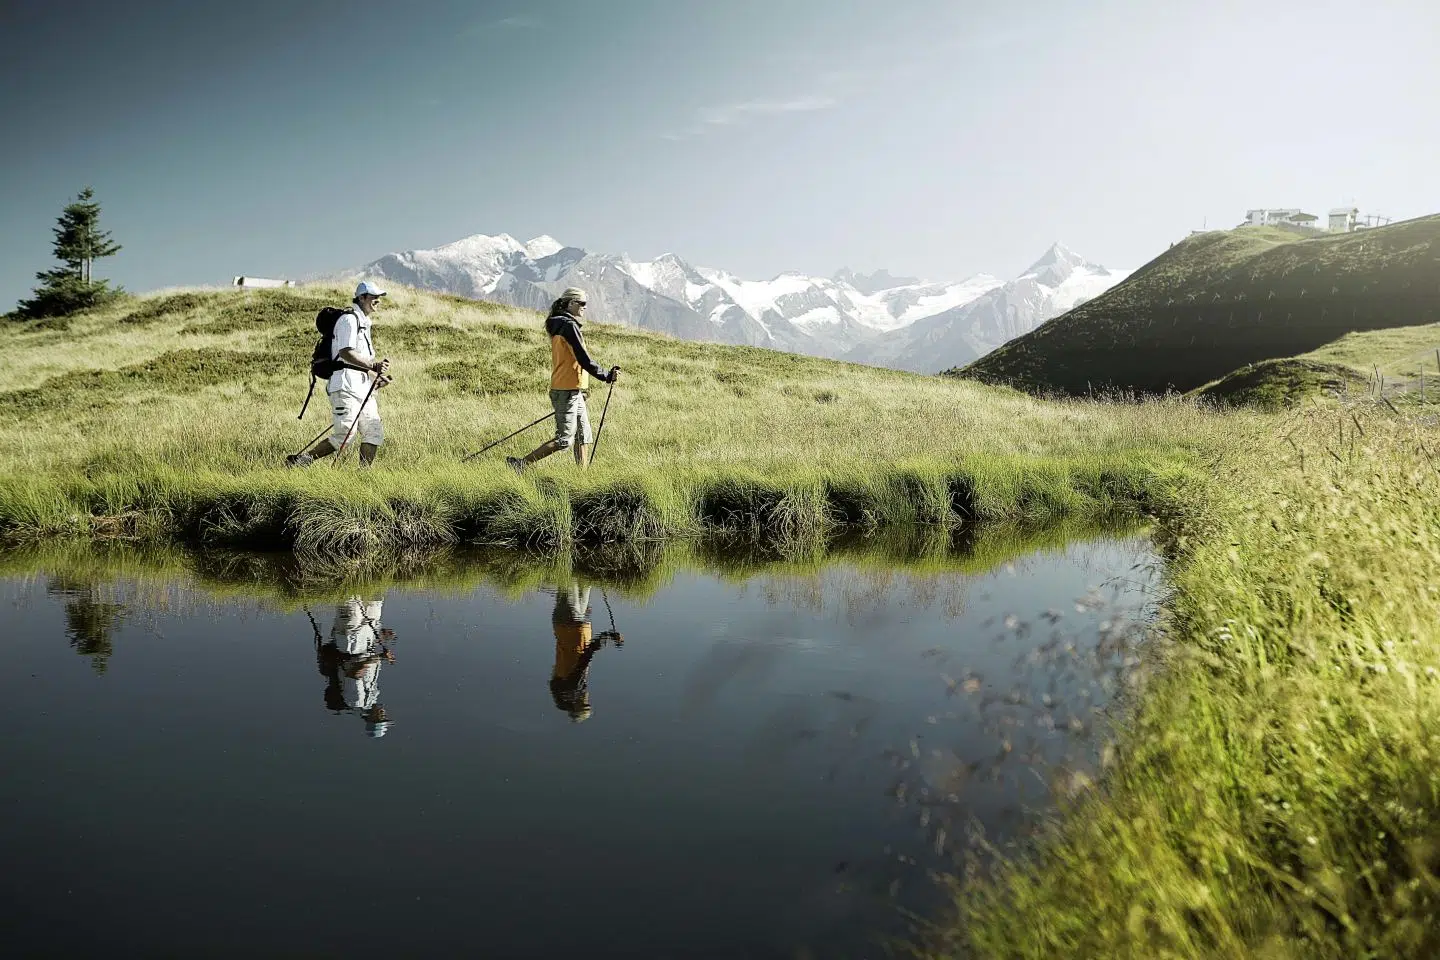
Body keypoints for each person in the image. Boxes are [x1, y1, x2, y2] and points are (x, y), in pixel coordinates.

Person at [508, 287, 619, 474]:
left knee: (582, 436)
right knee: (564, 440)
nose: (585, 307)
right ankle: (521, 464)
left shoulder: (563, 324)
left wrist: (582, 388)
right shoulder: (568, 326)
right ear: (571, 303)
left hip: (572, 390)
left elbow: (575, 361)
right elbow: (583, 359)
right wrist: (606, 375)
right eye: (582, 303)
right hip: (566, 391)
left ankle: (581, 478)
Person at [287, 280, 392, 468]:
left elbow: (358, 360)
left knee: (373, 431)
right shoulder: (349, 320)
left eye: (379, 297)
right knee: (345, 433)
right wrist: (374, 365)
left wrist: (375, 377)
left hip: (362, 387)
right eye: (374, 296)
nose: (378, 300)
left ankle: (364, 475)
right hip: (345, 385)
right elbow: (345, 353)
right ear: (361, 297)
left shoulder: (364, 322)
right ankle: (302, 461)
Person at [313, 597, 396, 738]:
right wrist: (382, 637)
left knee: (350, 602)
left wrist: (379, 657)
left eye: (381, 719)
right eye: (384, 717)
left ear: (371, 719)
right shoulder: (372, 697)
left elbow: (354, 673)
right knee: (376, 599)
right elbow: (367, 655)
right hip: (365, 638)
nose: (384, 713)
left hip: (350, 641)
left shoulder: (356, 702)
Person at [549, 578, 623, 722]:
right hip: (574, 621)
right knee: (586, 579)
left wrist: (609, 636)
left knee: (571, 579)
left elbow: (587, 653)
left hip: (570, 622)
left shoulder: (573, 685)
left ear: (576, 704)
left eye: (585, 705)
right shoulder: (567, 683)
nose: (587, 700)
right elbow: (581, 648)